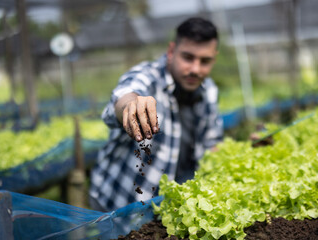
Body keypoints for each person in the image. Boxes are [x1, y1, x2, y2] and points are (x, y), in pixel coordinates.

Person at [89, 17, 224, 211]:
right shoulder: (148, 77)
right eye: (188, 57)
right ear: (171, 52)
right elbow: (124, 96)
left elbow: (212, 142)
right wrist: (131, 105)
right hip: (120, 202)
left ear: (214, 58)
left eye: (205, 61)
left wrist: (245, 155)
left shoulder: (209, 90)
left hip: (169, 205)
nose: (195, 69)